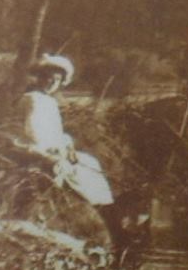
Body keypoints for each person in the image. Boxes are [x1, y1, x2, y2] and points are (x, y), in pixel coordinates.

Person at [14, 54, 115, 207]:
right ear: (41, 77)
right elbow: (34, 128)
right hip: (33, 145)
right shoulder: (32, 98)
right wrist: (54, 147)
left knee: (89, 162)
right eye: (49, 78)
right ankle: (60, 202)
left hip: (50, 145)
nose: (52, 83)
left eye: (57, 80)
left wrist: (66, 144)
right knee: (62, 166)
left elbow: (54, 129)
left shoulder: (50, 101)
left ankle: (99, 204)